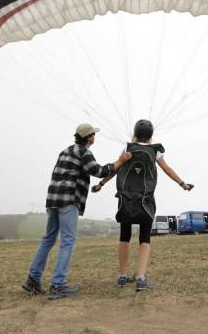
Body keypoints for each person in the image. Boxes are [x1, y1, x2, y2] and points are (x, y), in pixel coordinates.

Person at [23, 123, 132, 299]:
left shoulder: (66, 150)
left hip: (52, 200)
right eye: (93, 135)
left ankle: (33, 280)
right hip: (68, 200)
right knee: (68, 241)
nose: (94, 137)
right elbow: (99, 171)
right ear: (89, 138)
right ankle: (58, 285)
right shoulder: (84, 152)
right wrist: (121, 161)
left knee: (48, 239)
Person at [92, 119, 192, 291]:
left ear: (136, 133)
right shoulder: (155, 151)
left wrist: (101, 184)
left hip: (126, 199)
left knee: (125, 236)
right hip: (145, 200)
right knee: (144, 238)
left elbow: (115, 168)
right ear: (150, 136)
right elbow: (167, 170)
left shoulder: (127, 148)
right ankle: (140, 278)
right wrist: (183, 184)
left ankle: (122, 277)